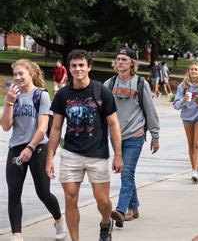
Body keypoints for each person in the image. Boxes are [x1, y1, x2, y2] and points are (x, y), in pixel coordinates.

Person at [46, 50, 124, 241]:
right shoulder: (63, 94)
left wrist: (118, 154)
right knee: (70, 198)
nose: (78, 69)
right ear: (69, 68)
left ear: (89, 66)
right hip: (71, 154)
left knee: (103, 201)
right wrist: (50, 157)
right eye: (74, 65)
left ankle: (106, 223)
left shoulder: (101, 92)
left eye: (81, 65)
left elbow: (114, 124)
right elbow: (56, 128)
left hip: (97, 153)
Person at [2, 59, 66, 241]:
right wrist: (8, 103)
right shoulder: (13, 96)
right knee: (14, 192)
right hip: (16, 147)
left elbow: (42, 127)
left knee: (43, 192)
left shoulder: (41, 96)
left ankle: (59, 219)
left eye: (21, 73)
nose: (18, 77)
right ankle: (17, 234)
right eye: (15, 74)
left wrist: (30, 147)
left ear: (31, 73)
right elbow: (6, 127)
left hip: (38, 147)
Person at [106, 47, 160, 228]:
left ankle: (121, 210)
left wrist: (155, 135)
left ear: (132, 64)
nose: (120, 62)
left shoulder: (140, 83)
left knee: (127, 172)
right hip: (116, 137)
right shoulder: (109, 84)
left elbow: (150, 110)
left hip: (135, 135)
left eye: (124, 59)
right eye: (118, 59)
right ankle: (134, 207)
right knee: (127, 173)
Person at [173, 62, 198, 183]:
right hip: (187, 117)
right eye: (192, 69)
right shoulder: (183, 86)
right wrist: (183, 100)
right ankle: (193, 168)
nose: (194, 71)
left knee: (196, 143)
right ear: (188, 71)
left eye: (196, 69)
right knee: (190, 143)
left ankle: (196, 171)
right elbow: (176, 105)